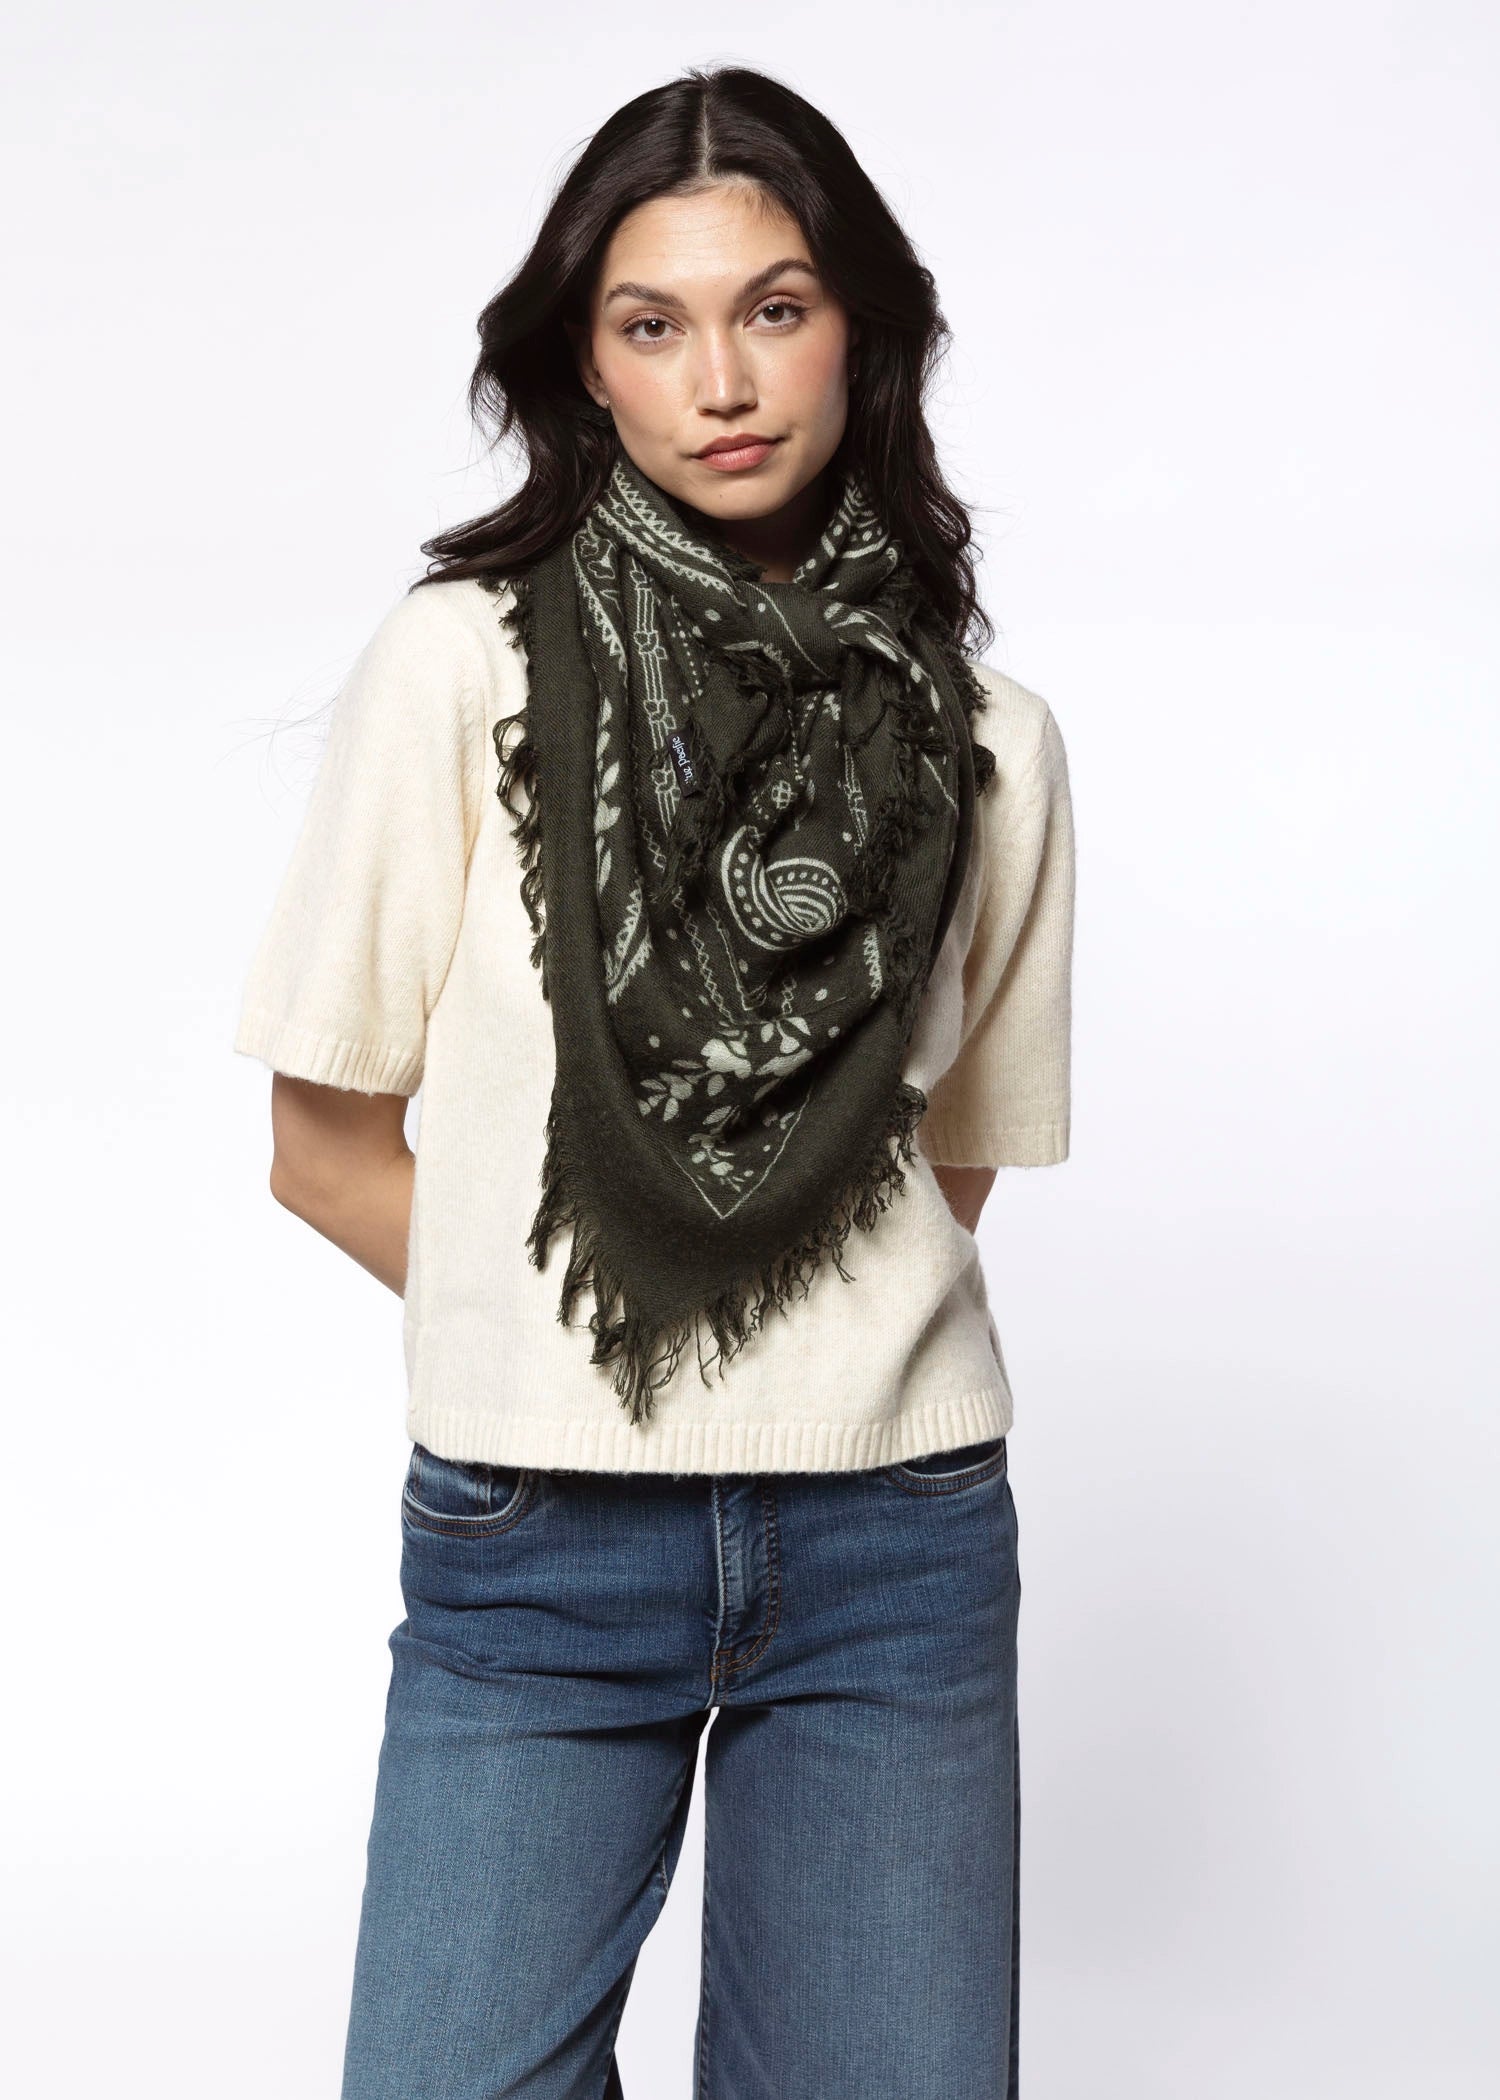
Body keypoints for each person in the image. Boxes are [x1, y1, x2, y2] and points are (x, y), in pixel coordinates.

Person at [234, 62, 1074, 2100]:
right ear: (583, 367)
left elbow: (941, 1176)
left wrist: (780, 1326)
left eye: (775, 308)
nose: (723, 380)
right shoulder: (461, 669)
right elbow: (322, 1148)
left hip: (894, 1546)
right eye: (653, 323)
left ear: (861, 329)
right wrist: (570, 1337)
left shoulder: (994, 742)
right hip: (537, 1540)